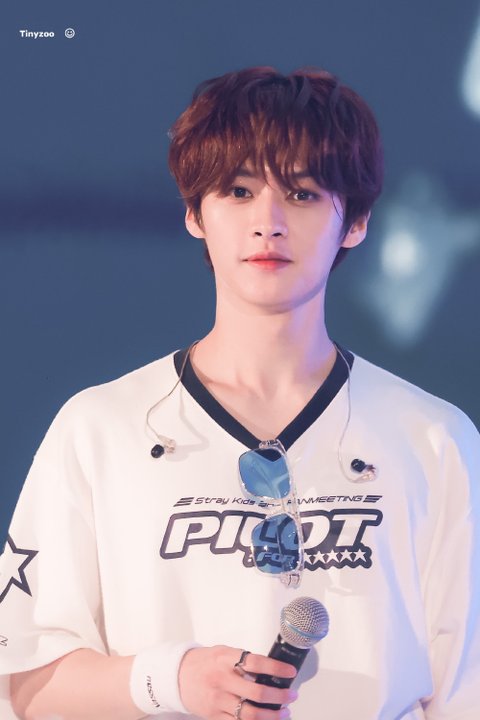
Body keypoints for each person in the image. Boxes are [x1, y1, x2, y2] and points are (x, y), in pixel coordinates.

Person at [0, 65, 479, 720]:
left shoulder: (433, 437)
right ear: (195, 213)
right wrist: (172, 679)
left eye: (303, 193)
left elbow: (465, 690)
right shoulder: (101, 429)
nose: (268, 222)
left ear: (357, 220)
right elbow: (25, 686)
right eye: (239, 190)